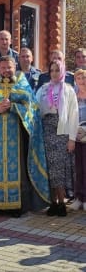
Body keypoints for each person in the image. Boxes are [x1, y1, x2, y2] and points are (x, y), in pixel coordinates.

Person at [0, 55, 50, 217]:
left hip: (16, 135)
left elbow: (32, 108)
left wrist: (14, 106)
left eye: (9, 67)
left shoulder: (22, 83)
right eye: (3, 68)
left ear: (14, 66)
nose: (6, 71)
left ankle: (17, 206)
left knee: (18, 169)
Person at [36, 59, 78, 216]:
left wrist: (72, 138)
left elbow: (73, 115)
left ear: (63, 72)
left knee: (59, 170)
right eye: (52, 70)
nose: (54, 73)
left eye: (57, 70)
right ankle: (52, 203)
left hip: (61, 133)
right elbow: (35, 108)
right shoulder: (44, 89)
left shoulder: (68, 90)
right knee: (49, 170)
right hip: (46, 132)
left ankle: (62, 203)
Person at [69, 67, 86, 211]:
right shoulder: (73, 95)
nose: (82, 81)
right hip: (76, 136)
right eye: (79, 78)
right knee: (78, 168)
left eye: (84, 78)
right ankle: (79, 197)